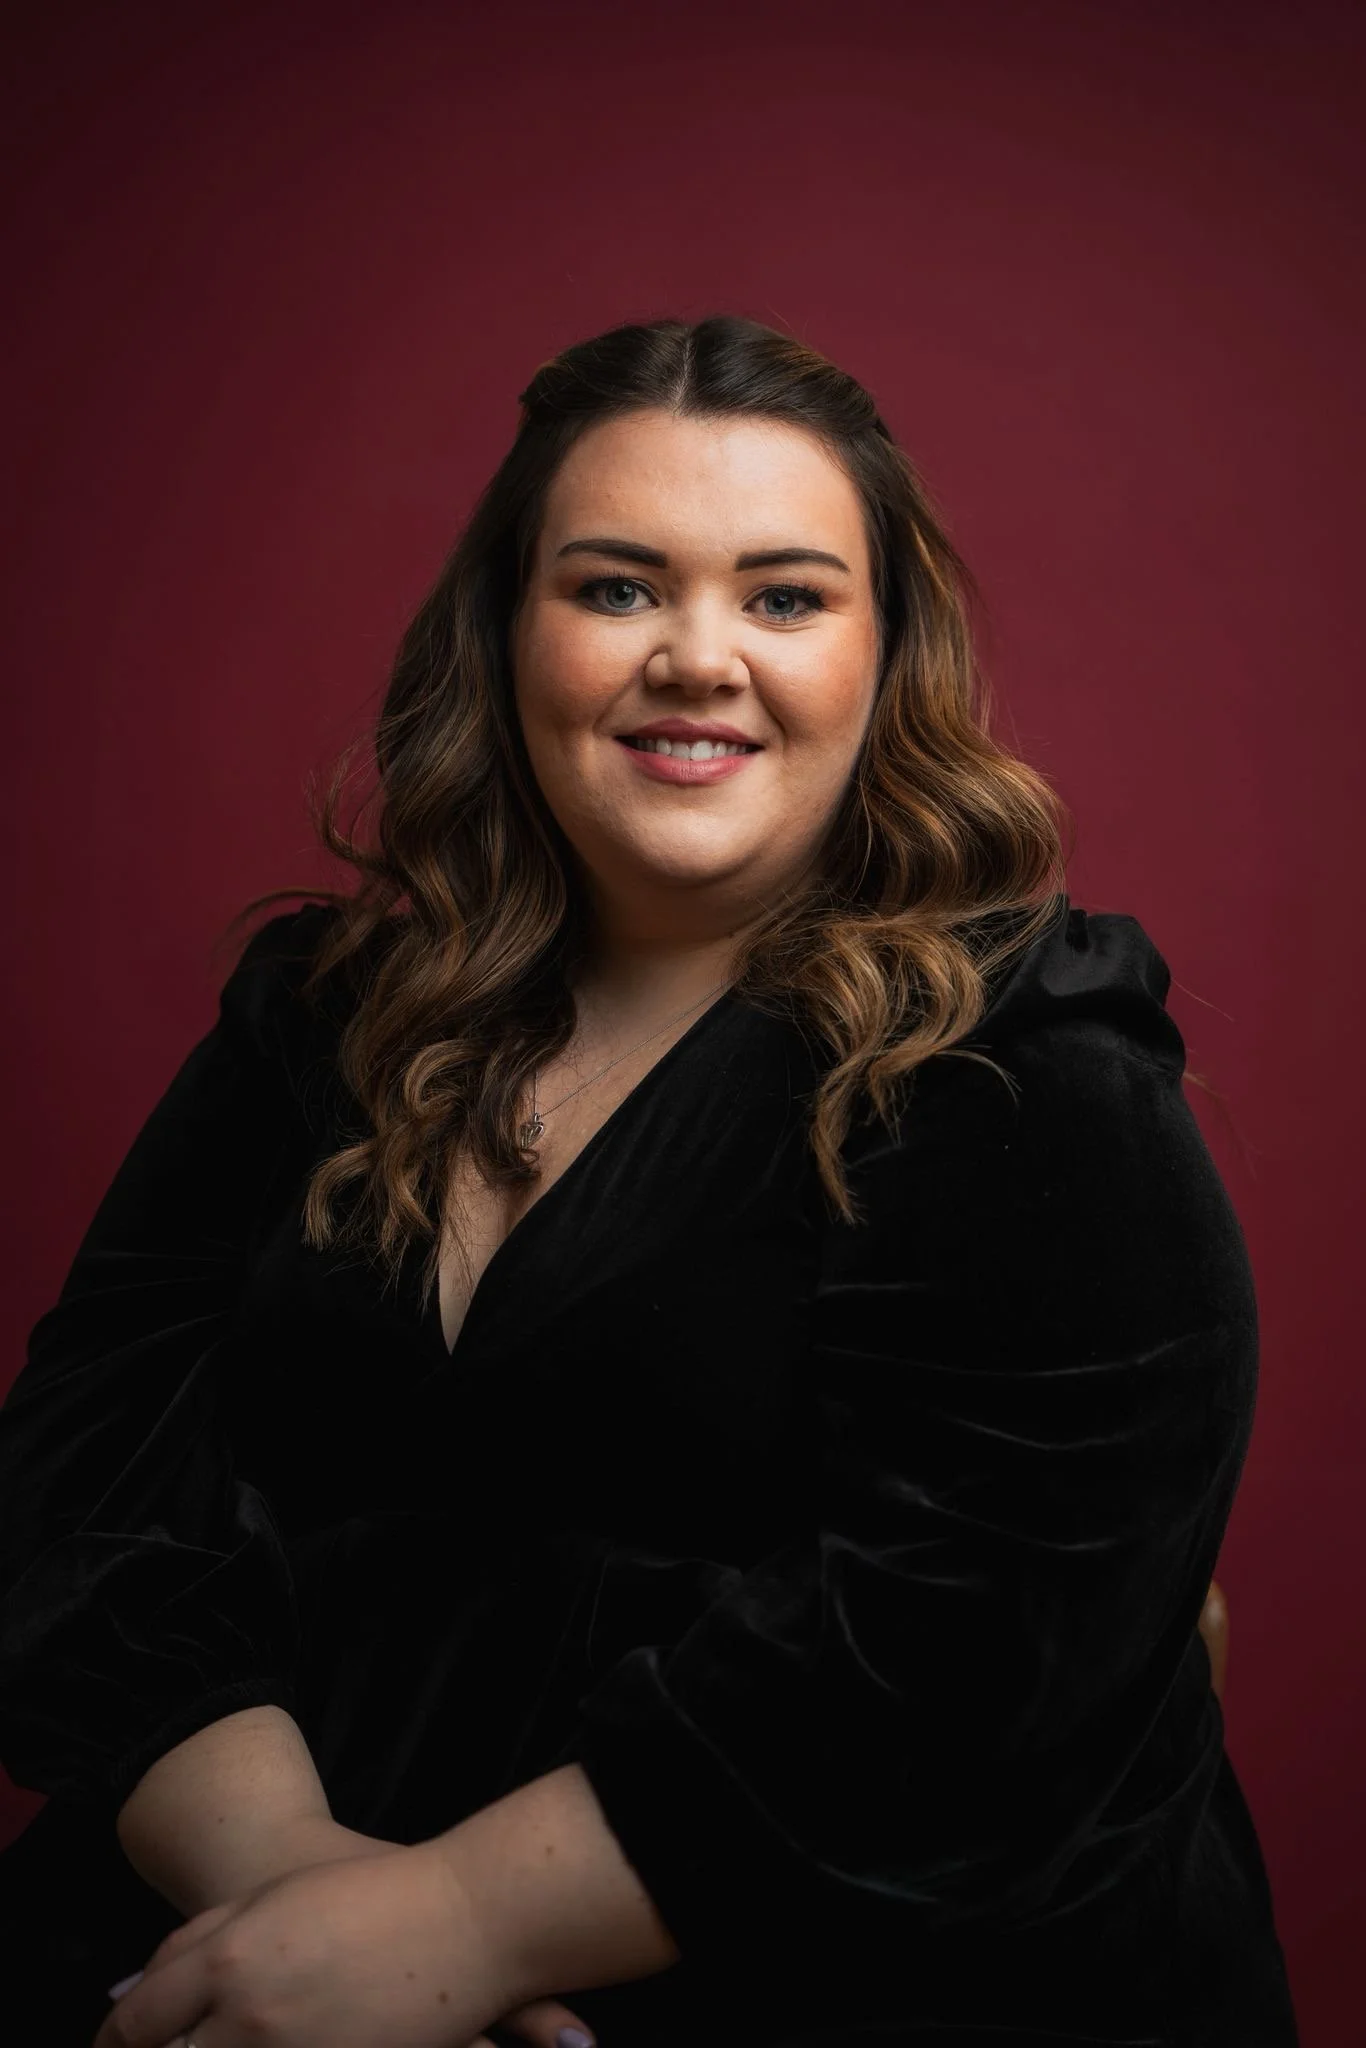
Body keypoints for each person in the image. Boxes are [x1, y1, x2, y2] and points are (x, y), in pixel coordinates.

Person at [0, 313, 1298, 2048]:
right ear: (506, 632)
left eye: (783, 597)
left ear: (883, 654)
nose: (697, 656)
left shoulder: (1027, 1066)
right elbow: (81, 1494)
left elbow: (983, 1660)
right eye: (616, 588)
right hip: (236, 1946)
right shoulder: (312, 1028)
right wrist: (310, 1912)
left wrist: (458, 1928)